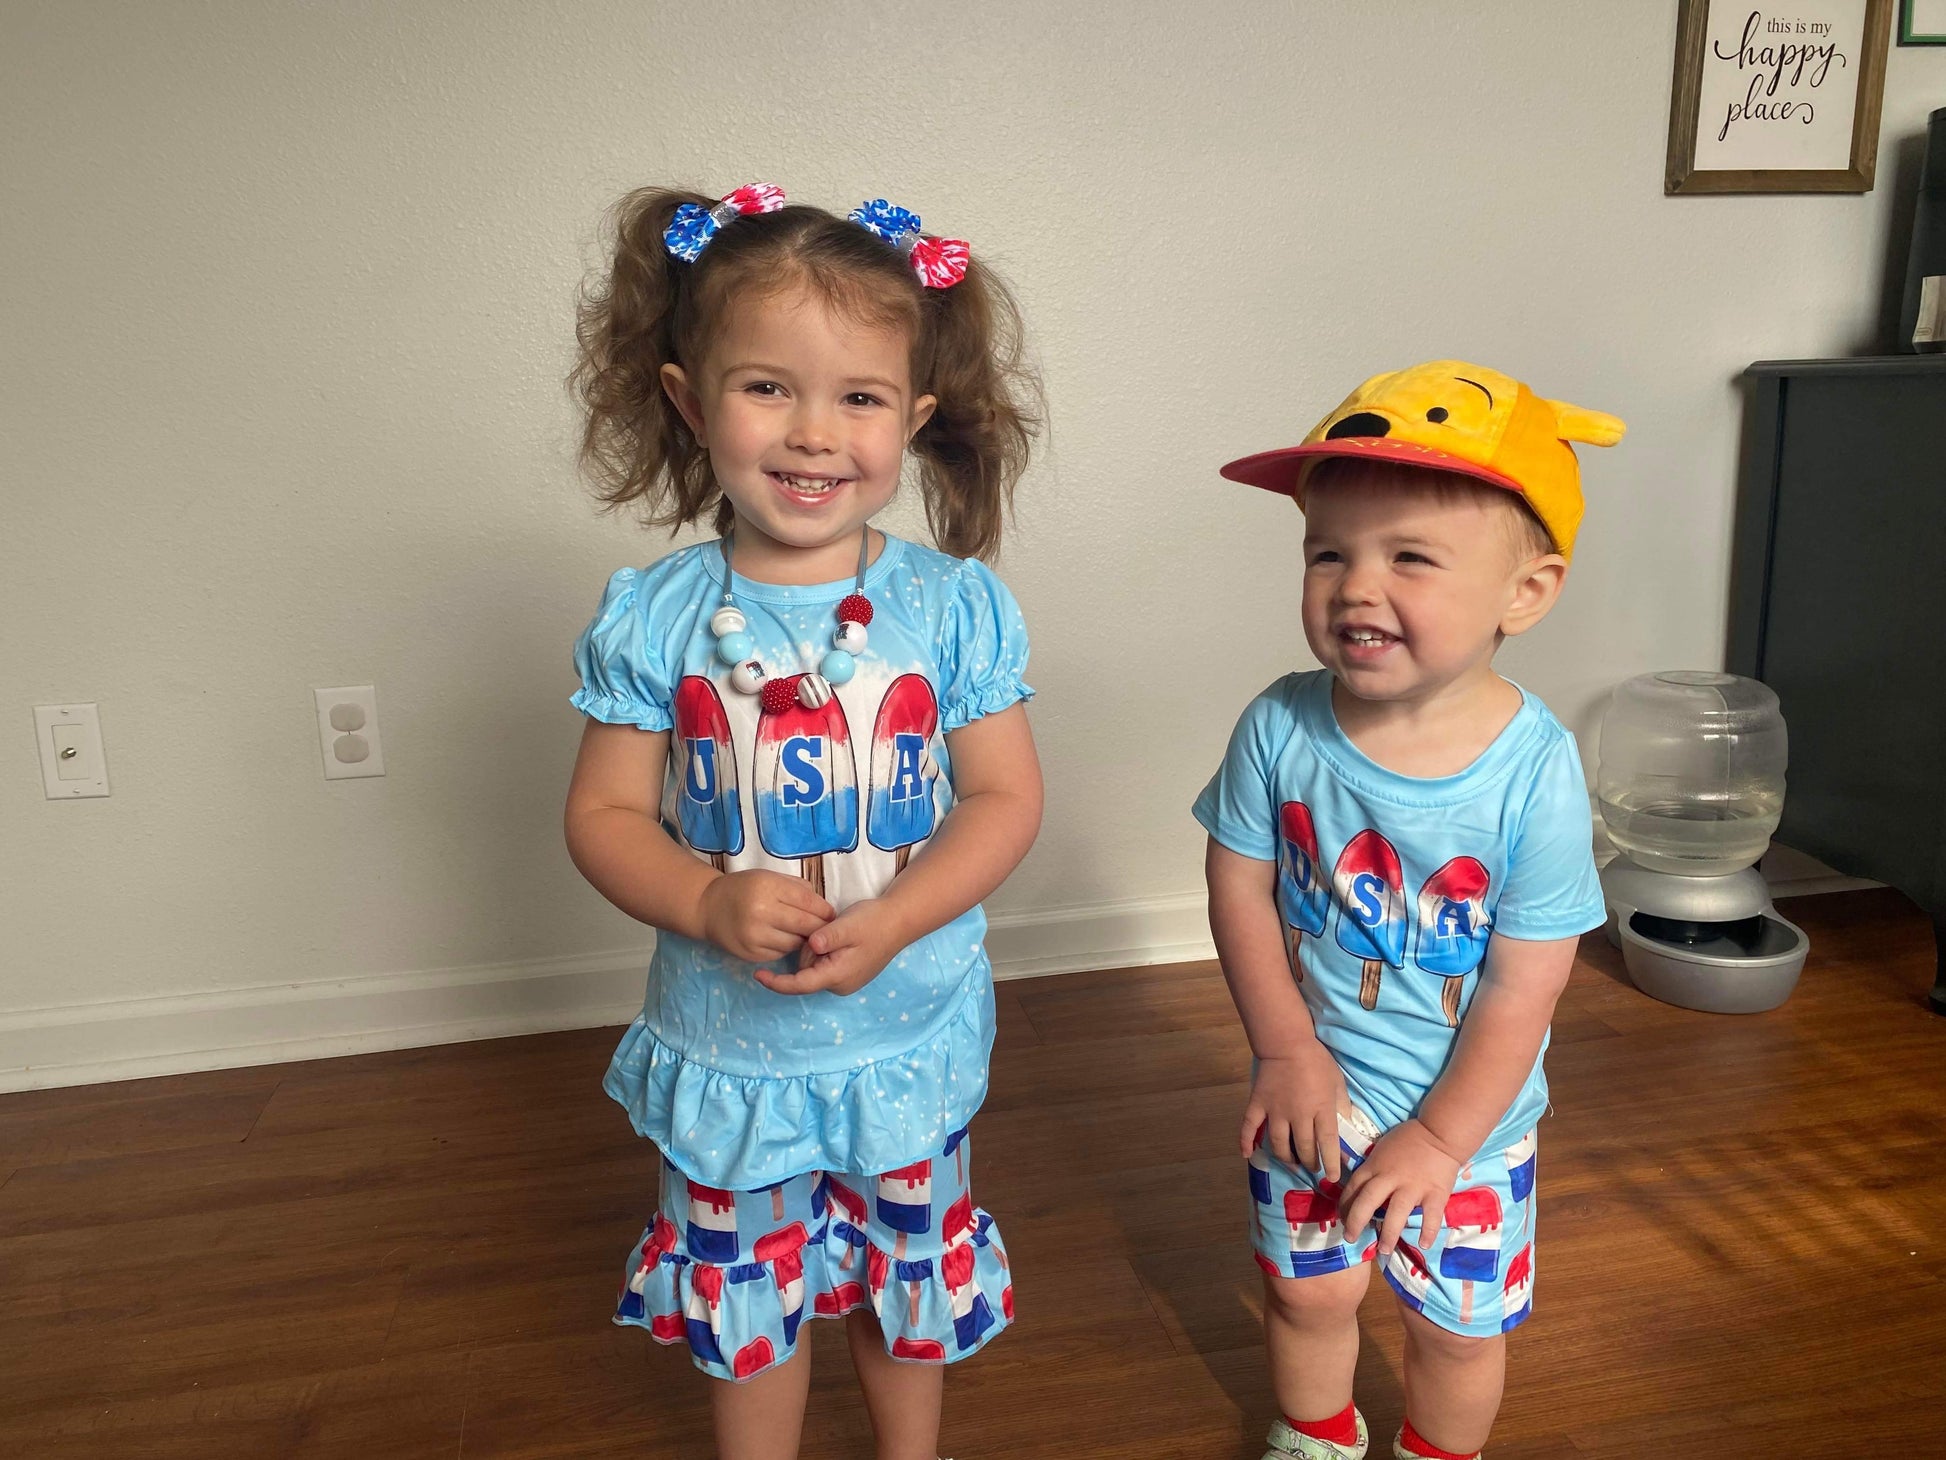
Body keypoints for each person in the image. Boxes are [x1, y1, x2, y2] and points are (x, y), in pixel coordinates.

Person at [563, 183, 1042, 1460]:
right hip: (733, 1055)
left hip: (905, 1037)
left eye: (860, 397)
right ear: (688, 400)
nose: (814, 432)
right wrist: (702, 898)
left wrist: (899, 916)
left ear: (914, 417)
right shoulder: (655, 617)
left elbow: (1003, 797)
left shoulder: (950, 608)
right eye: (767, 387)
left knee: (903, 1280)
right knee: (749, 1298)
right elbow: (604, 813)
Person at [1195, 361, 1624, 1460]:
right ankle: (1315, 1433)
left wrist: (1439, 1138)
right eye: (1327, 553)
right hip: (1314, 1098)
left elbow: (1525, 983)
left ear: (1525, 593)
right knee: (1306, 1295)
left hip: (1467, 1128)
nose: (1354, 586)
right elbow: (1237, 881)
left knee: (1453, 1332)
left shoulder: (1532, 772)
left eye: (1410, 558)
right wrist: (1284, 1049)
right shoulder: (1279, 726)